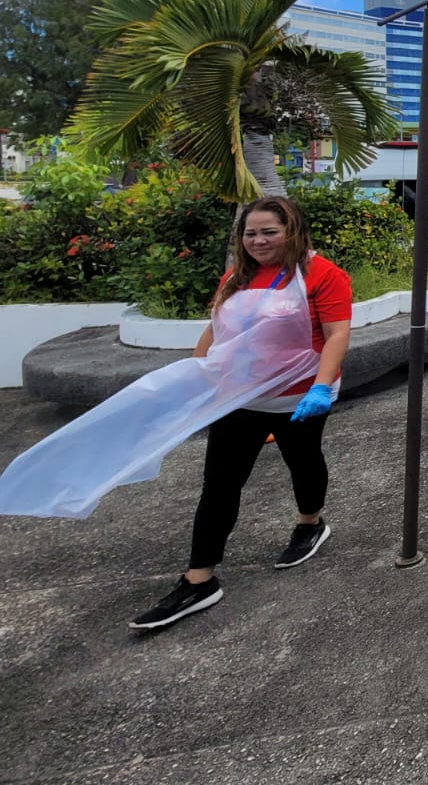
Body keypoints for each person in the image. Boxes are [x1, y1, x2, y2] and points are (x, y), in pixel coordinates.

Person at [130, 196, 352, 630]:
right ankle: (199, 578)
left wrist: (321, 387)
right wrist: (197, 376)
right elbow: (217, 329)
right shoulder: (236, 277)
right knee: (219, 484)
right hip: (241, 397)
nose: (259, 240)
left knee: (303, 462)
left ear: (293, 231)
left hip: (298, 396)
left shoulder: (324, 275)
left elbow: (337, 333)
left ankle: (310, 522)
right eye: (251, 233)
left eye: (270, 231)